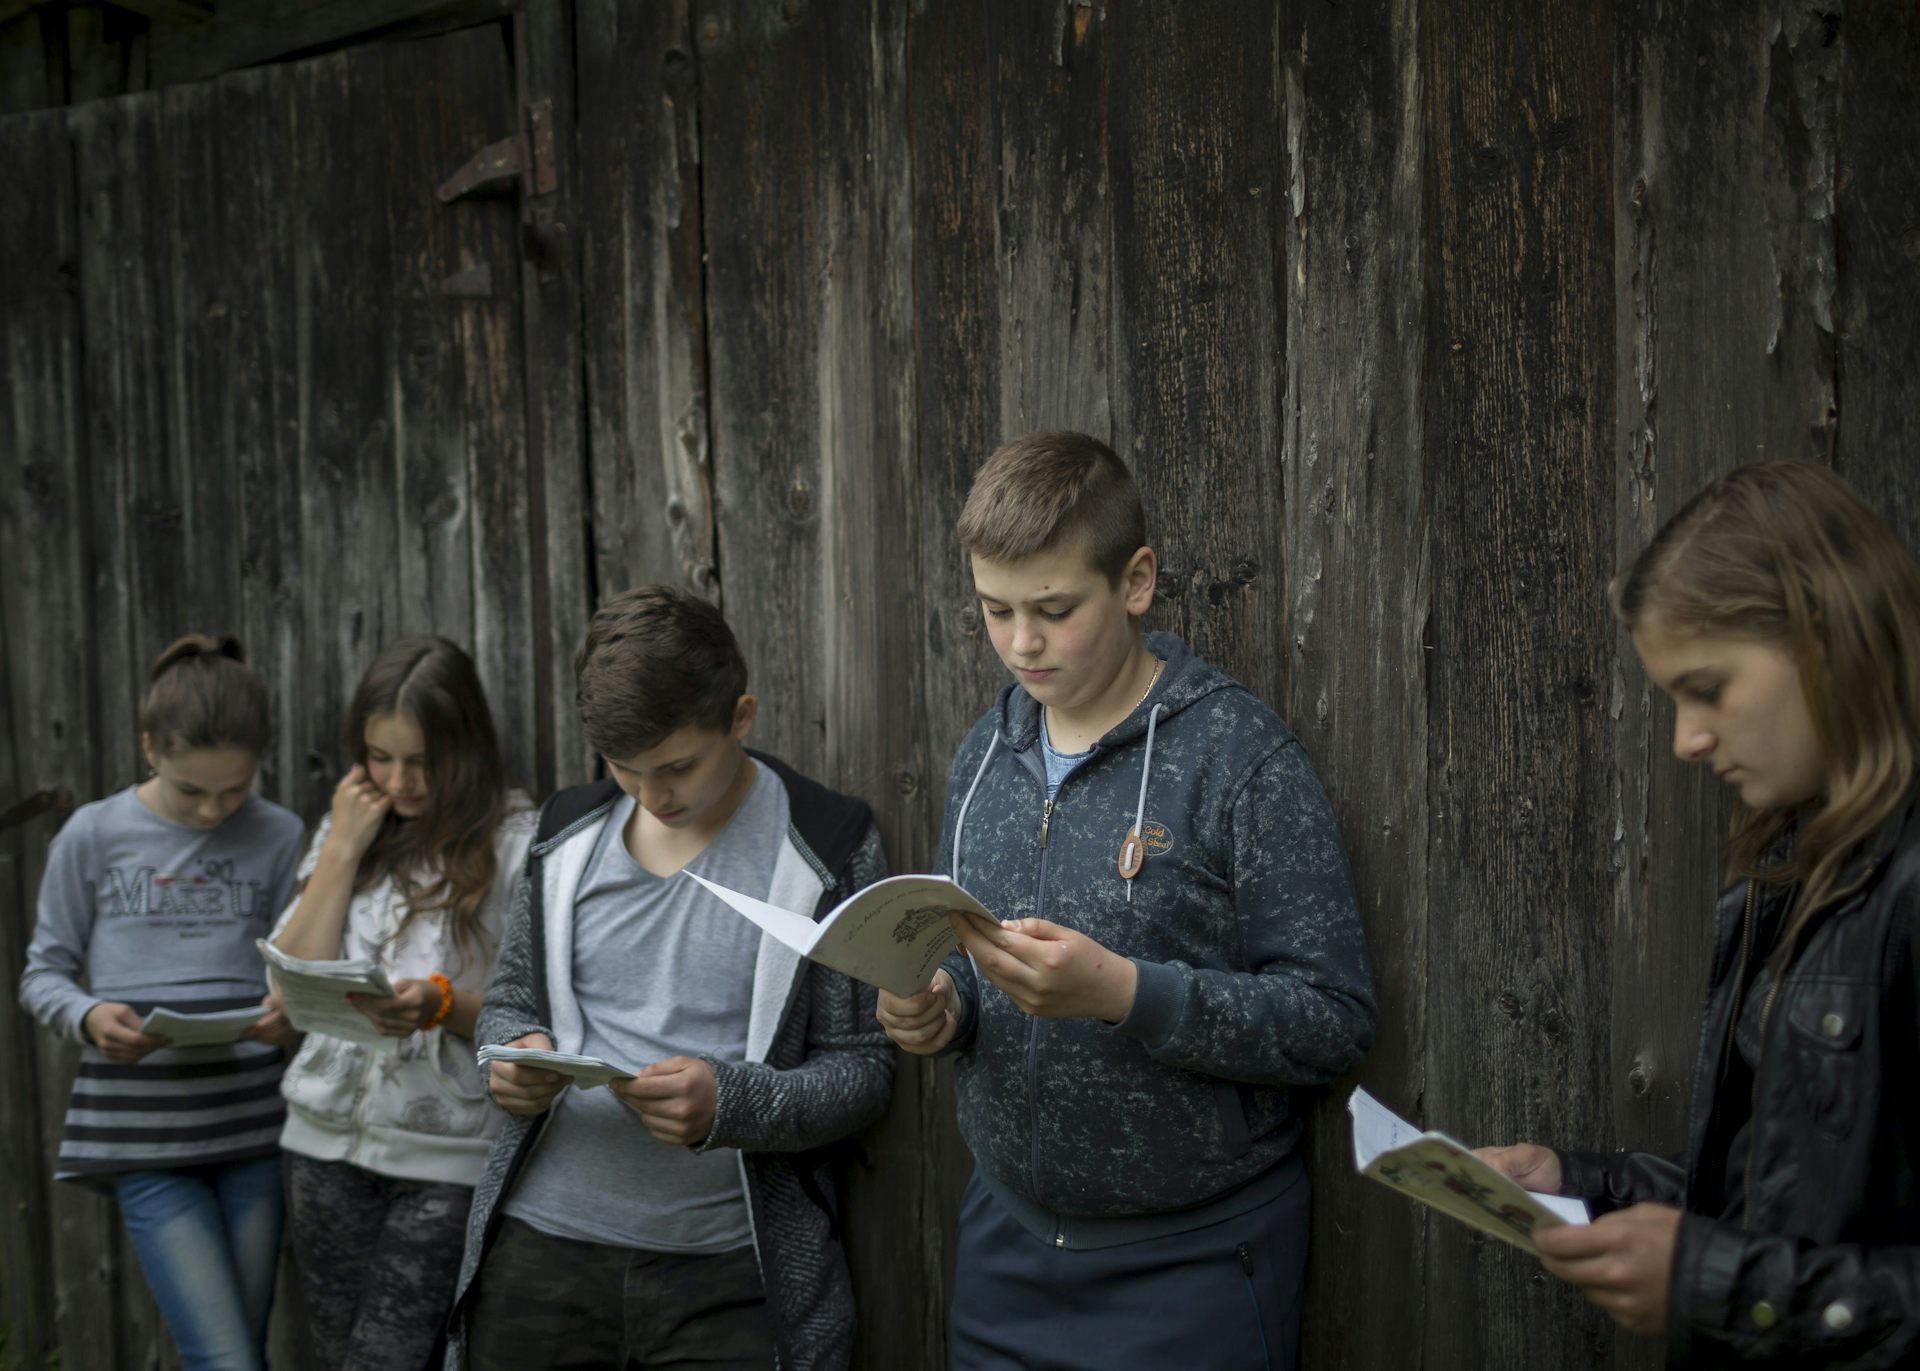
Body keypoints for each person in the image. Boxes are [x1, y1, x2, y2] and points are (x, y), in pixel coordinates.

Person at [876, 432, 1378, 1371]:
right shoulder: (983, 753)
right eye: (995, 609)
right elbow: (970, 960)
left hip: (1194, 1264)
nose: (1021, 642)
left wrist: (1125, 993)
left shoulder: (1240, 758)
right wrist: (942, 1008)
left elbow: (1333, 1019)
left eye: (1055, 609)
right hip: (1005, 1246)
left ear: (1136, 581)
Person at [1478, 461, 1920, 1365]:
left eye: (1708, 688)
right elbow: (1787, 1200)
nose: (1686, 739)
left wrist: (1717, 1282)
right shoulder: (1801, 865)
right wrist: (1583, 1183)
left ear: (1824, 636)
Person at [446, 585, 894, 1371]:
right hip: (539, 1250)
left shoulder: (828, 844)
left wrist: (732, 1103)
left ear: (742, 716)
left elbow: (864, 1071)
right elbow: (510, 997)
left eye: (679, 766)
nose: (653, 796)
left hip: (729, 1272)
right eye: (625, 769)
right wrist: (509, 1055)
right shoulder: (563, 833)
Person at [20, 634, 306, 1371]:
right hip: (143, 1137)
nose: (212, 810)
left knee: (244, 1352)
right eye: (190, 791)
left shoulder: (280, 834)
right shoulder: (92, 834)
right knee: (224, 1358)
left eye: (233, 791)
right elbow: (42, 974)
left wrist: (290, 1015)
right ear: (149, 747)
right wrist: (87, 1015)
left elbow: (296, 967)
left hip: (254, 1128)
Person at [270, 638, 534, 1371]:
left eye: (422, 760)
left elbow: (540, 1012)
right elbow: (288, 988)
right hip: (320, 1143)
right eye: (379, 757)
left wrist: (441, 1004)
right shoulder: (350, 828)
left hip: (447, 1157)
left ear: (467, 746)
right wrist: (342, 848)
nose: (398, 780)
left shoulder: (519, 843)